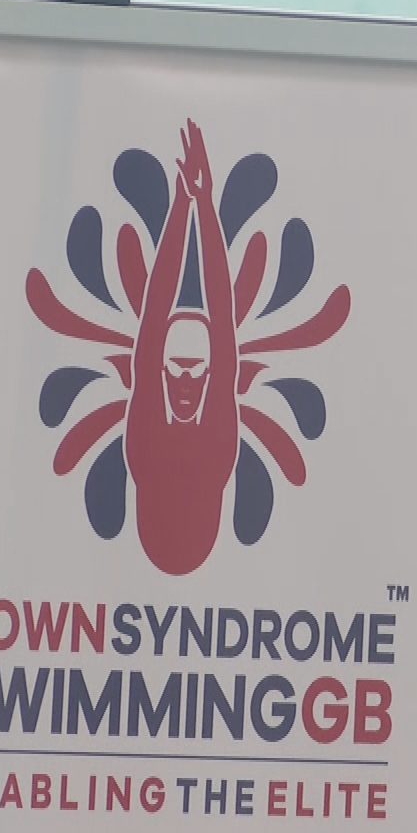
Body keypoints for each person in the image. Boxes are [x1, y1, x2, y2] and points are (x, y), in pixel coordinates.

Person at [124, 120, 241, 575]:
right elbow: (163, 328)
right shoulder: (195, 451)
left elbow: (159, 328)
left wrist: (192, 205)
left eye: (197, 369)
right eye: (176, 368)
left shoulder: (151, 450)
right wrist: (196, 206)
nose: (187, 381)